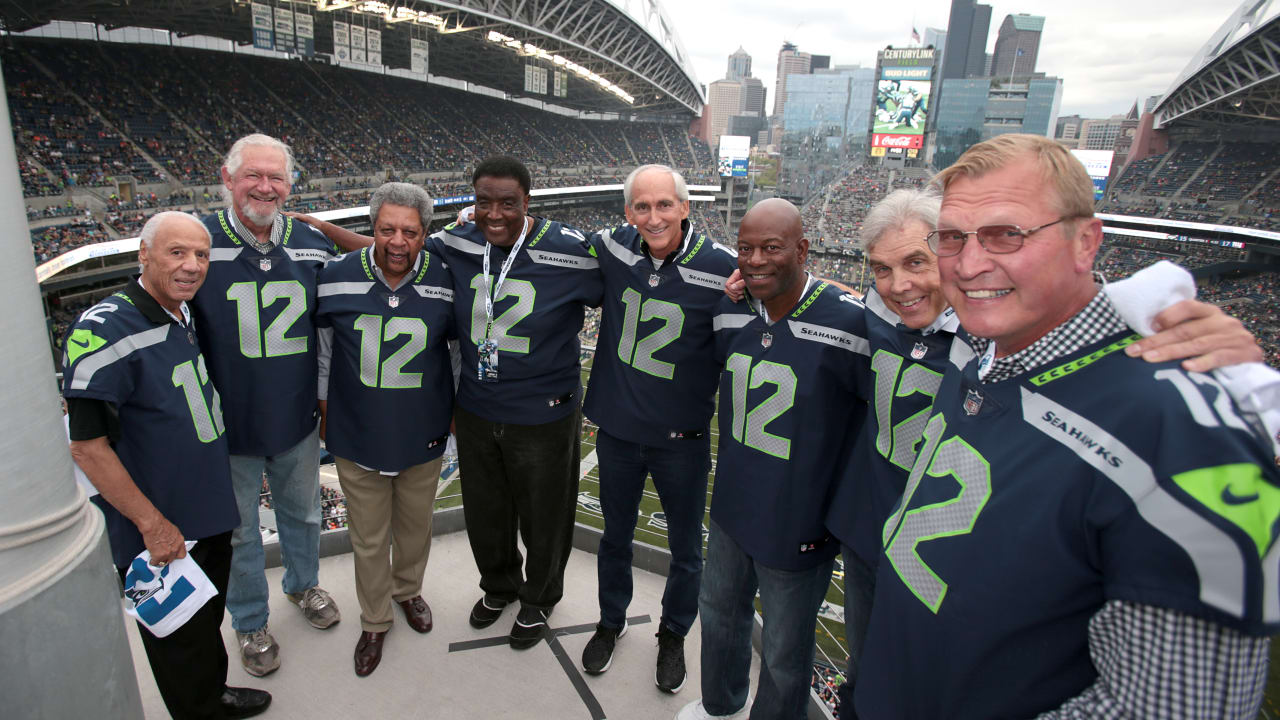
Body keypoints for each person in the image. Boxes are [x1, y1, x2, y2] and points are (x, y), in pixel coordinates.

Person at [854, 134, 1280, 718]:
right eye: (953, 238)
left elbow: (1172, 707)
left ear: (1086, 242)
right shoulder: (988, 355)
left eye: (1008, 234)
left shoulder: (1187, 428)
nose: (971, 263)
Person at [64, 211, 271, 719]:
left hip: (206, 506)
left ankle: (212, 692)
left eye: (201, 255)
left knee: (203, 622)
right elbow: (87, 447)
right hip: (162, 521)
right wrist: (151, 525)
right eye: (177, 252)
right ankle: (197, 709)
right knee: (176, 633)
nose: (192, 265)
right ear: (144, 253)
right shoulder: (104, 330)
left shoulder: (182, 310)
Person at [679, 198, 872, 720]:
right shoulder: (732, 309)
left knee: (786, 652)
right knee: (717, 613)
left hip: (799, 515)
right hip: (733, 503)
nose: (755, 259)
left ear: (803, 250)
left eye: (771, 248)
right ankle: (719, 705)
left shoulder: (851, 323)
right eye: (746, 249)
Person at [579, 165, 738, 691]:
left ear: (685, 207)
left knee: (688, 551)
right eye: (642, 207)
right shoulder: (614, 246)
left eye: (664, 205)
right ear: (628, 213)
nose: (653, 217)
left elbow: (785, 286)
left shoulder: (721, 269)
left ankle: (673, 635)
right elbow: (541, 241)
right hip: (619, 435)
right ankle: (611, 621)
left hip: (681, 443)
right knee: (614, 539)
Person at [191, 134, 341, 677]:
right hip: (224, 424)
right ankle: (250, 619)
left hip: (295, 417)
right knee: (238, 532)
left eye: (276, 177)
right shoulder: (198, 242)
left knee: (301, 515)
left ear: (290, 185)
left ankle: (304, 587)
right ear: (227, 179)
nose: (265, 186)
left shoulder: (310, 243)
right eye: (253, 175)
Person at [314, 183, 455, 676]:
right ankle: (375, 620)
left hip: (423, 427)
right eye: (387, 229)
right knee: (368, 538)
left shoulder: (446, 277)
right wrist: (327, 410)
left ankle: (408, 591)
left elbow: (456, 351)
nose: (398, 241)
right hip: (357, 429)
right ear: (371, 230)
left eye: (410, 231)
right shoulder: (334, 277)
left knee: (415, 530)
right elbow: (326, 351)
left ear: (425, 235)